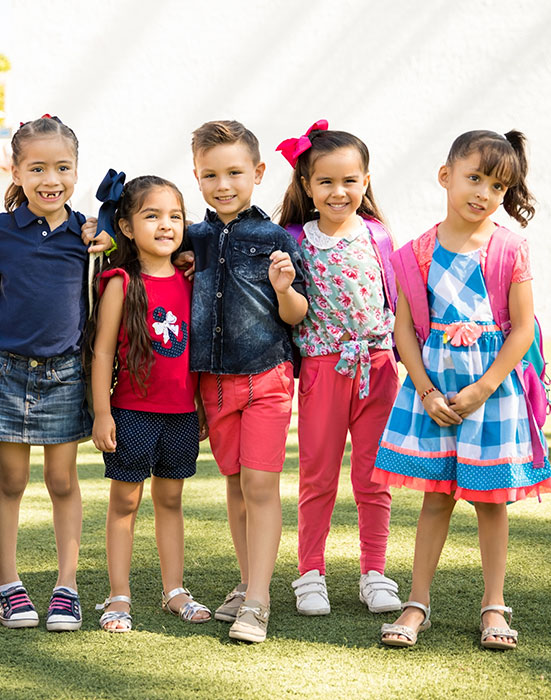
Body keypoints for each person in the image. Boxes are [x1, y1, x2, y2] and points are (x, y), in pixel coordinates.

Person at [374, 130, 551, 650]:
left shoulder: (510, 248)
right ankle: (417, 604)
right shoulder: (415, 253)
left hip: (492, 394)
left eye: (497, 186)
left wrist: (484, 387)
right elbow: (404, 329)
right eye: (474, 178)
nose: (483, 193)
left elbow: (522, 328)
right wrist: (427, 391)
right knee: (435, 499)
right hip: (433, 395)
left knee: (490, 501)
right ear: (445, 176)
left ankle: (494, 606)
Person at [0, 116, 110, 632]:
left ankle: (66, 586)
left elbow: (134, 254)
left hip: (65, 374)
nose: (49, 178)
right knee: (10, 479)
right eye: (36, 168)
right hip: (6, 371)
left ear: (76, 170)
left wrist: (109, 241)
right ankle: (8, 585)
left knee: (62, 480)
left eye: (62, 167)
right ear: (16, 169)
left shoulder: (91, 234)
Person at [187, 120, 309, 643]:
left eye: (234, 172)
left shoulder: (274, 237)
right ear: (196, 177)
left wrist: (283, 287)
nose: (223, 184)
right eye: (210, 174)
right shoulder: (191, 236)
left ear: (257, 173)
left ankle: (258, 601)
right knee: (235, 486)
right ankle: (245, 580)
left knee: (260, 486)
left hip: (267, 375)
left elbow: (299, 313)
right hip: (214, 384)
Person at [274, 123, 402, 617]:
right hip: (325, 369)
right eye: (325, 182)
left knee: (374, 477)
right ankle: (310, 573)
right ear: (307, 186)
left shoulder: (379, 237)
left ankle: (375, 571)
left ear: (365, 181)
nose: (338, 191)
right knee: (318, 476)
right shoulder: (294, 241)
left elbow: (400, 303)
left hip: (378, 368)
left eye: (349, 181)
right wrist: (285, 290)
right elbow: (293, 314)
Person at [88, 175, 210, 632]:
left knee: (171, 500)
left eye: (174, 216)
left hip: (181, 416)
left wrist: (199, 404)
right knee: (124, 502)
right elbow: (102, 351)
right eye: (152, 216)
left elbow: (196, 352)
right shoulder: (120, 281)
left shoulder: (193, 280)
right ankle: (118, 596)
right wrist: (103, 412)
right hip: (132, 413)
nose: (165, 225)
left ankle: (174, 590)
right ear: (126, 225)